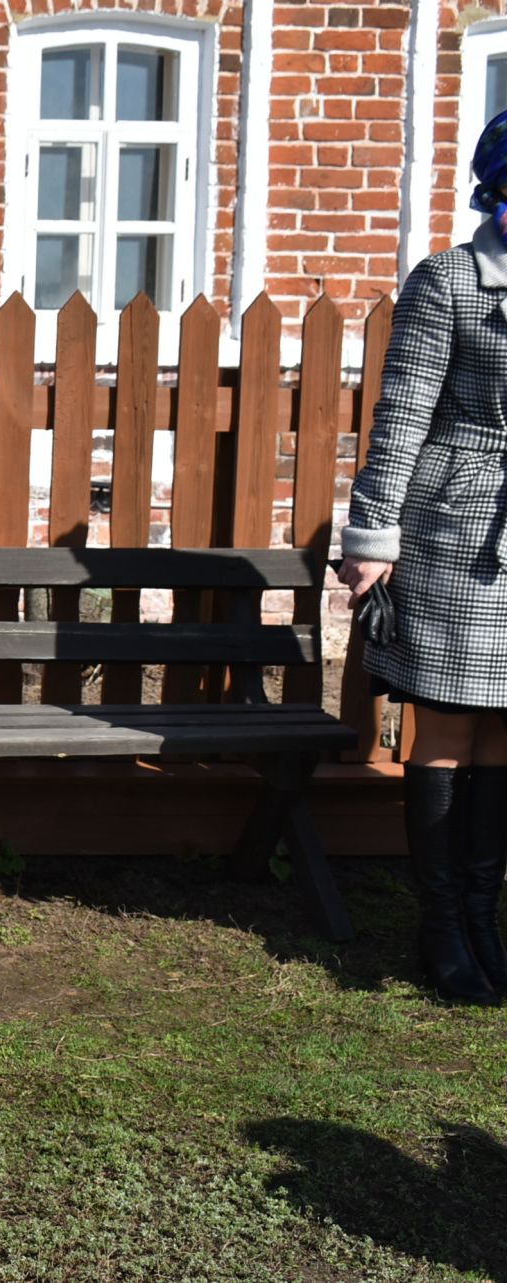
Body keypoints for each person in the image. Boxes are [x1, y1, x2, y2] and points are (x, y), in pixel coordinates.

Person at [336, 109, 507, 1007]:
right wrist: (373, 536)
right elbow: (402, 415)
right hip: (456, 526)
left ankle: (486, 917)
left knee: (506, 727)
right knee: (447, 723)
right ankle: (440, 927)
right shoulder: (448, 281)